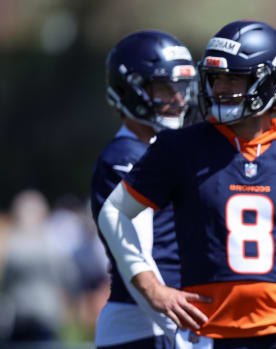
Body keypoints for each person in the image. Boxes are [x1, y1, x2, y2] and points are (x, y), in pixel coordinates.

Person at [97, 20, 276, 349]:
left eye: (234, 77)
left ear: (268, 81)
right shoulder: (178, 147)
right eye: (215, 78)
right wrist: (151, 287)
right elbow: (114, 211)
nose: (221, 88)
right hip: (209, 332)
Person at [91, 30, 196, 348]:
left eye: (179, 87)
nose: (177, 98)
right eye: (165, 88)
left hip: (161, 323)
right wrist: (176, 330)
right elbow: (136, 254)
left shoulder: (161, 150)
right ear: (131, 89)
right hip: (147, 327)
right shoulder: (125, 157)